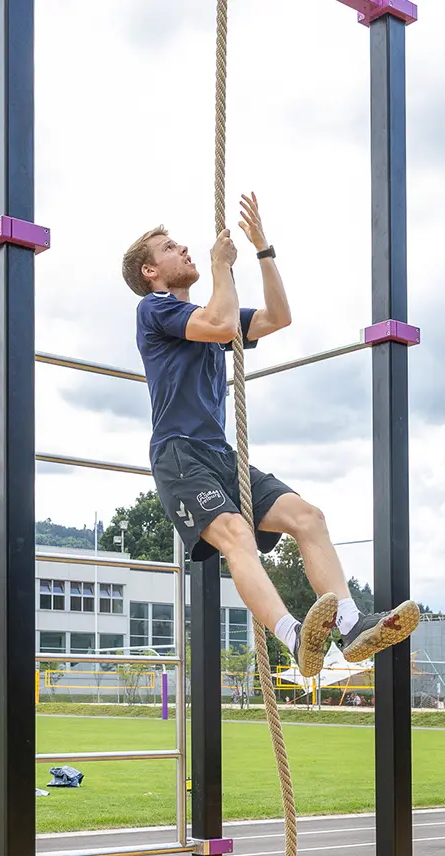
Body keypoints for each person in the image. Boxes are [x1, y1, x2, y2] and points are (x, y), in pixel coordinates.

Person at [121, 195, 418, 678]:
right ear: (150, 272)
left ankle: (352, 623)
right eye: (170, 247)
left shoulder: (211, 310)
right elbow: (218, 324)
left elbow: (279, 317)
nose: (184, 249)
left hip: (220, 454)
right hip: (179, 454)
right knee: (235, 535)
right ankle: (293, 636)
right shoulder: (153, 309)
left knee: (308, 517)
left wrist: (263, 250)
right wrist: (221, 266)